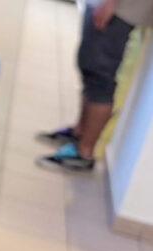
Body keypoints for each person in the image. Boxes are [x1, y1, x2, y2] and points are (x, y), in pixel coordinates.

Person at [37, 0, 153, 171]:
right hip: (111, 6)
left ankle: (84, 152)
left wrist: (112, 3)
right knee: (90, 67)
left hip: (121, 9)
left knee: (99, 75)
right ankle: (79, 134)